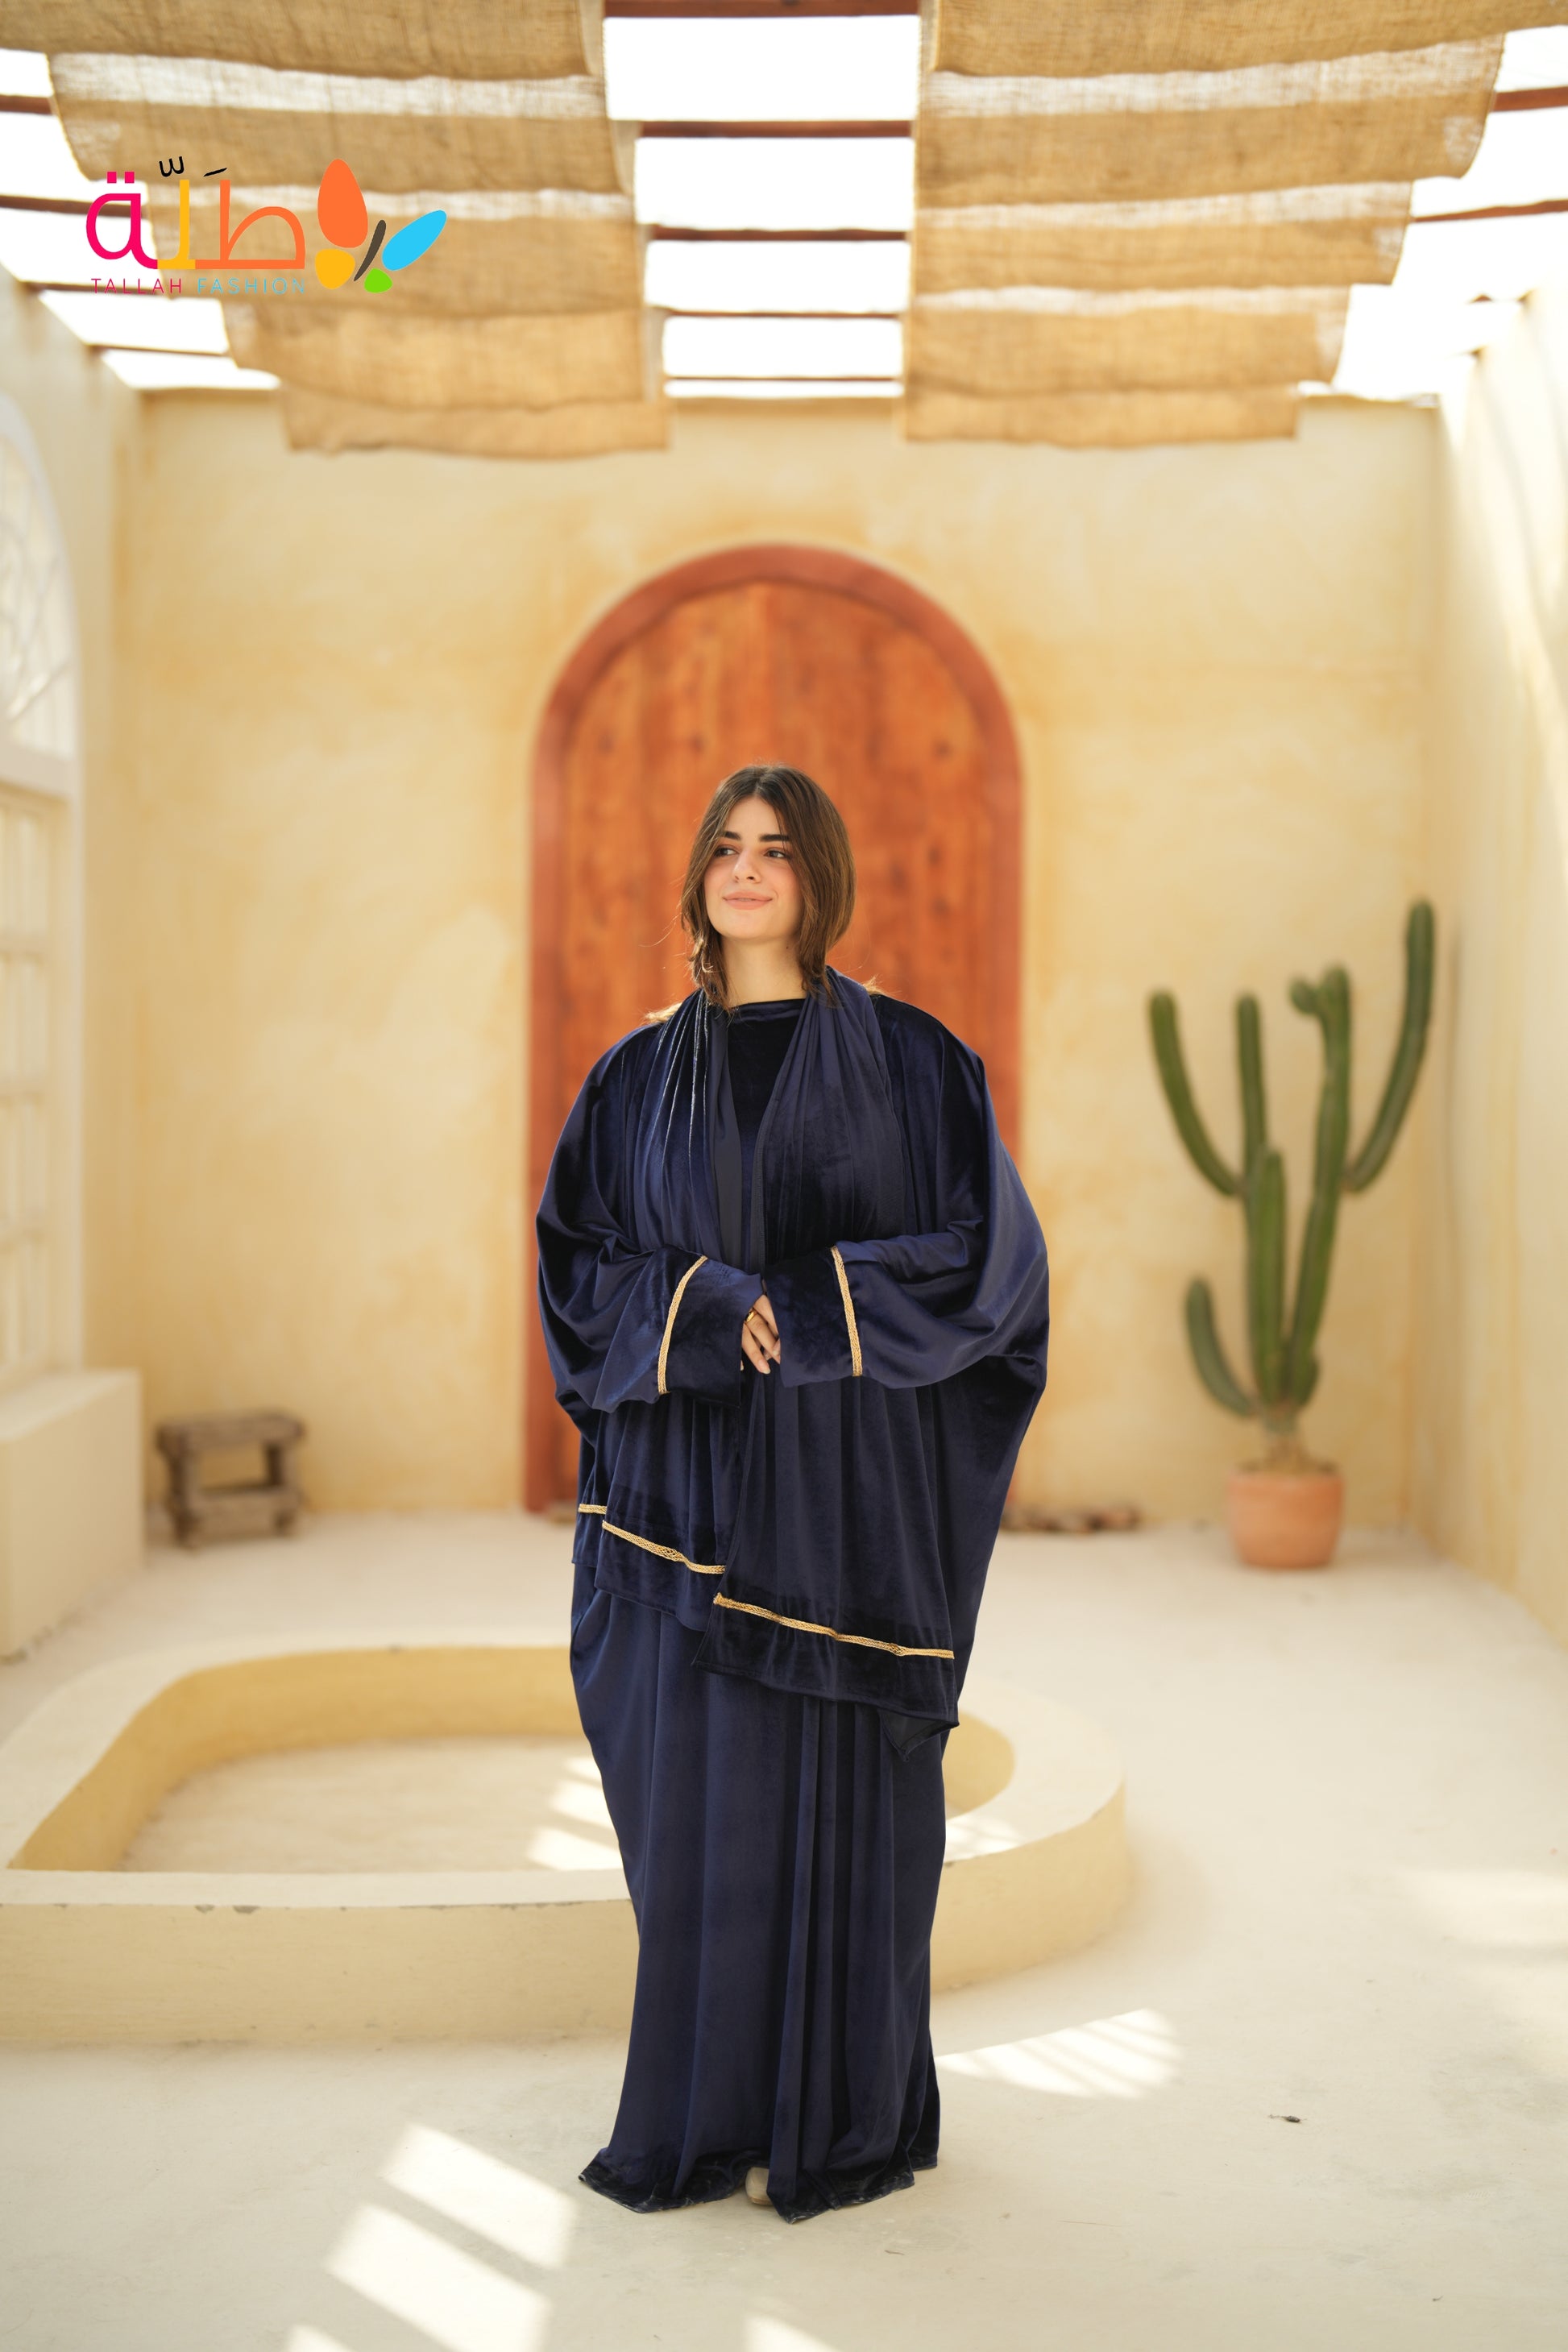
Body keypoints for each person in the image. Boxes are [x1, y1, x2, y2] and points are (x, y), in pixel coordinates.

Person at [536, 763, 1049, 2223]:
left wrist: (822, 1308)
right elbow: (575, 1270)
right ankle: (707, 2114)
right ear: (697, 878)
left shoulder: (917, 1062)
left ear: (819, 878)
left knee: (845, 1810)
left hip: (841, 1512)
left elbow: (995, 1263)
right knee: (703, 1814)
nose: (746, 869)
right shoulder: (632, 1078)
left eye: (775, 848)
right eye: (723, 847)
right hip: (681, 1507)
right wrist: (704, 1310)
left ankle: (839, 2115)